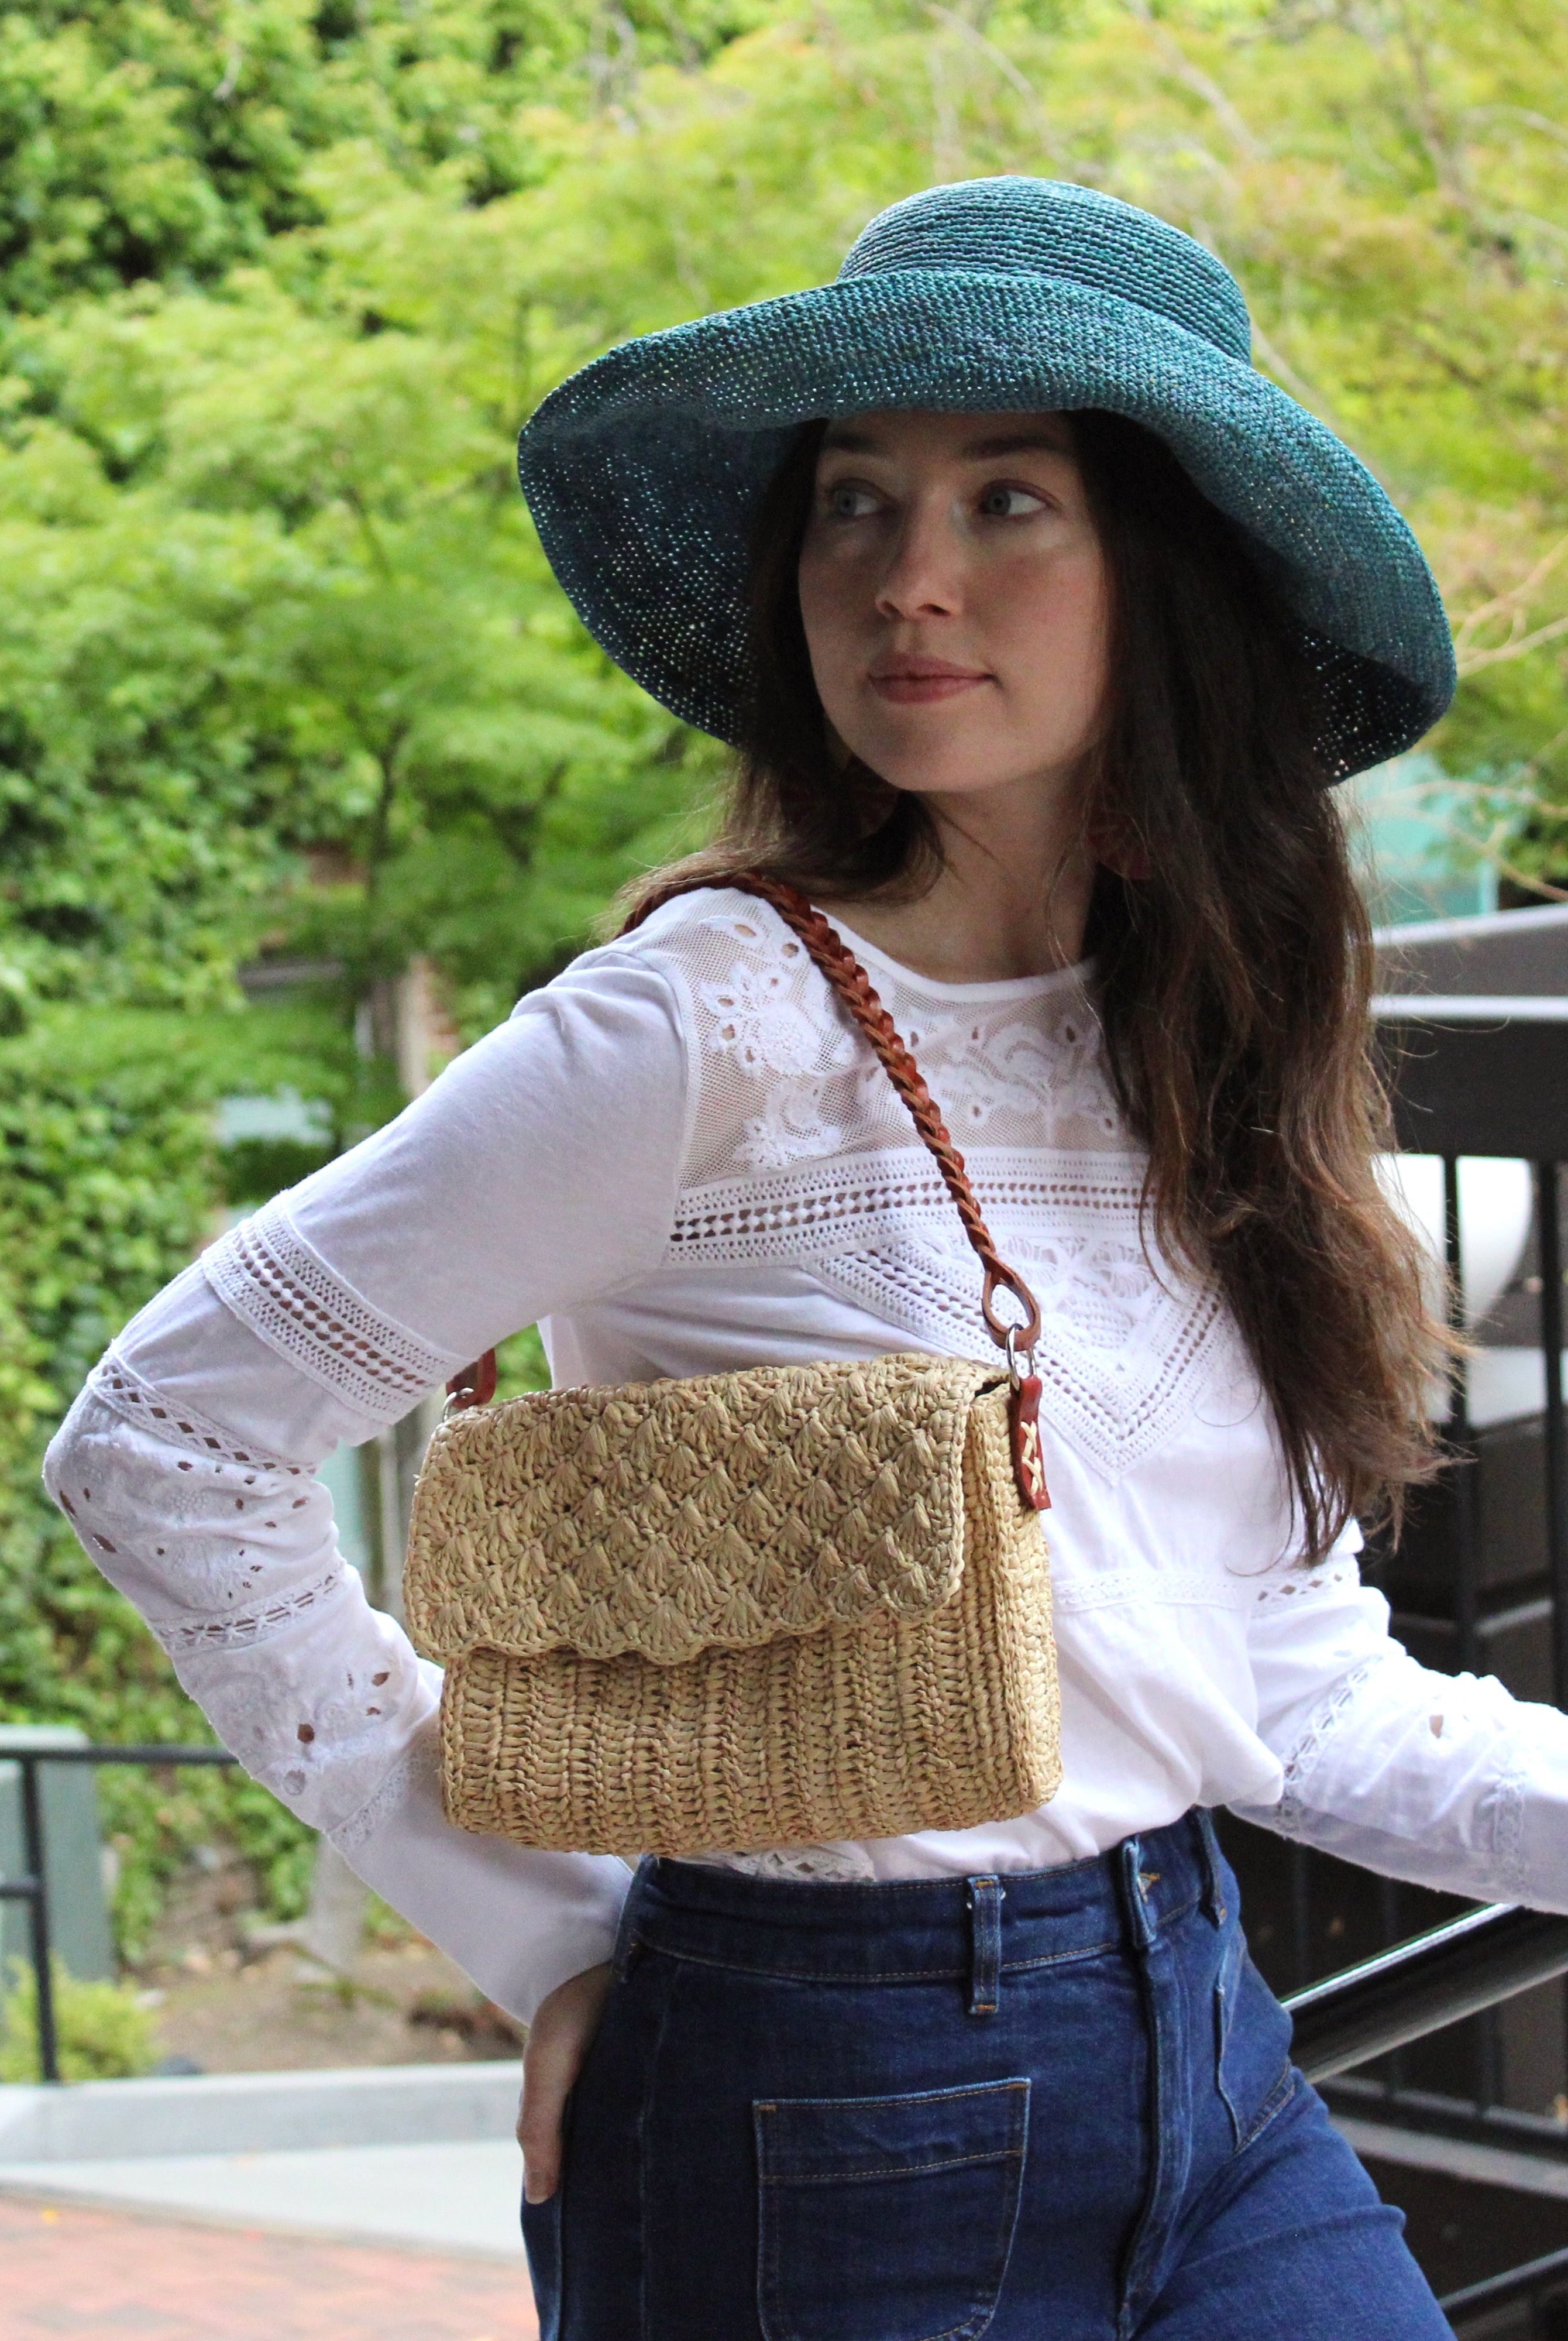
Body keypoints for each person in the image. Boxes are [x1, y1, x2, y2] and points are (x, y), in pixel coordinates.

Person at [44, 176, 1568, 2339]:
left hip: (1212, 2056)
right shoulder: (706, 1026)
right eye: (855, 503)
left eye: (1008, 502)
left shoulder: (1200, 1042)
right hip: (813, 2105)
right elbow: (165, 1441)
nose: (908, 577)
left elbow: (1290, 1690)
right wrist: (538, 1927)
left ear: (1171, 580)